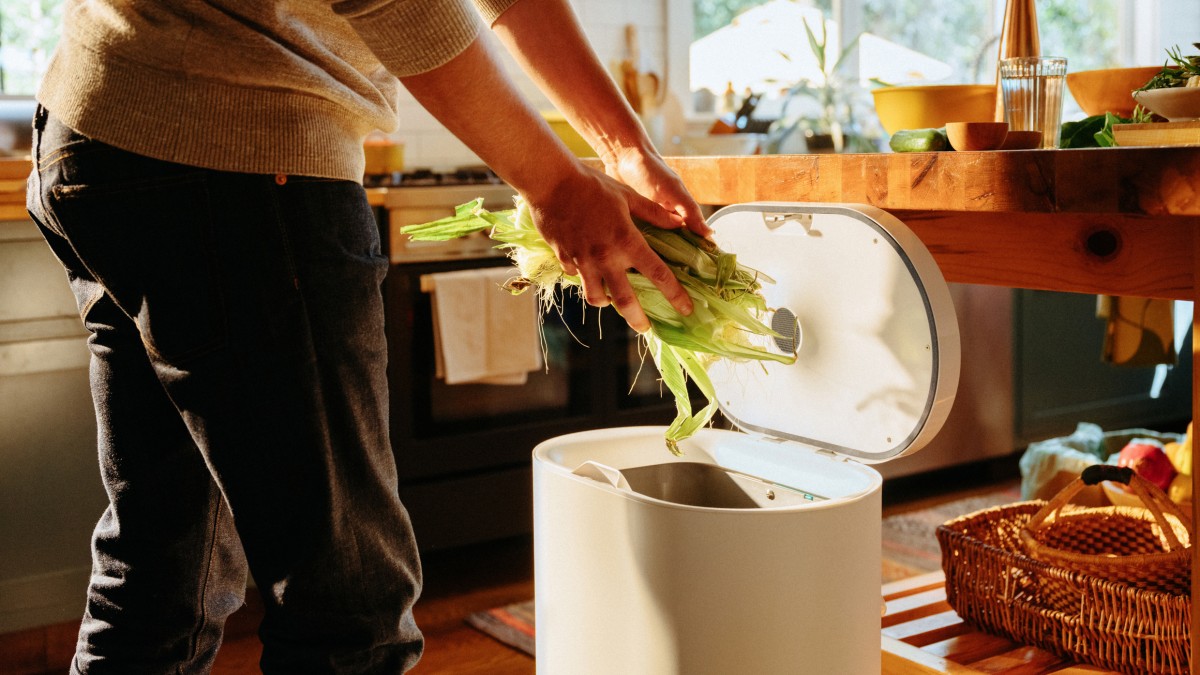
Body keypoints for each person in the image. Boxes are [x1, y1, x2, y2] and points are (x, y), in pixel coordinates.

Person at [27, 0, 708, 671]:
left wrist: (626, 149)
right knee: (347, 614)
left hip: (105, 128)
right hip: (234, 151)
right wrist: (557, 183)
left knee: (163, 570)